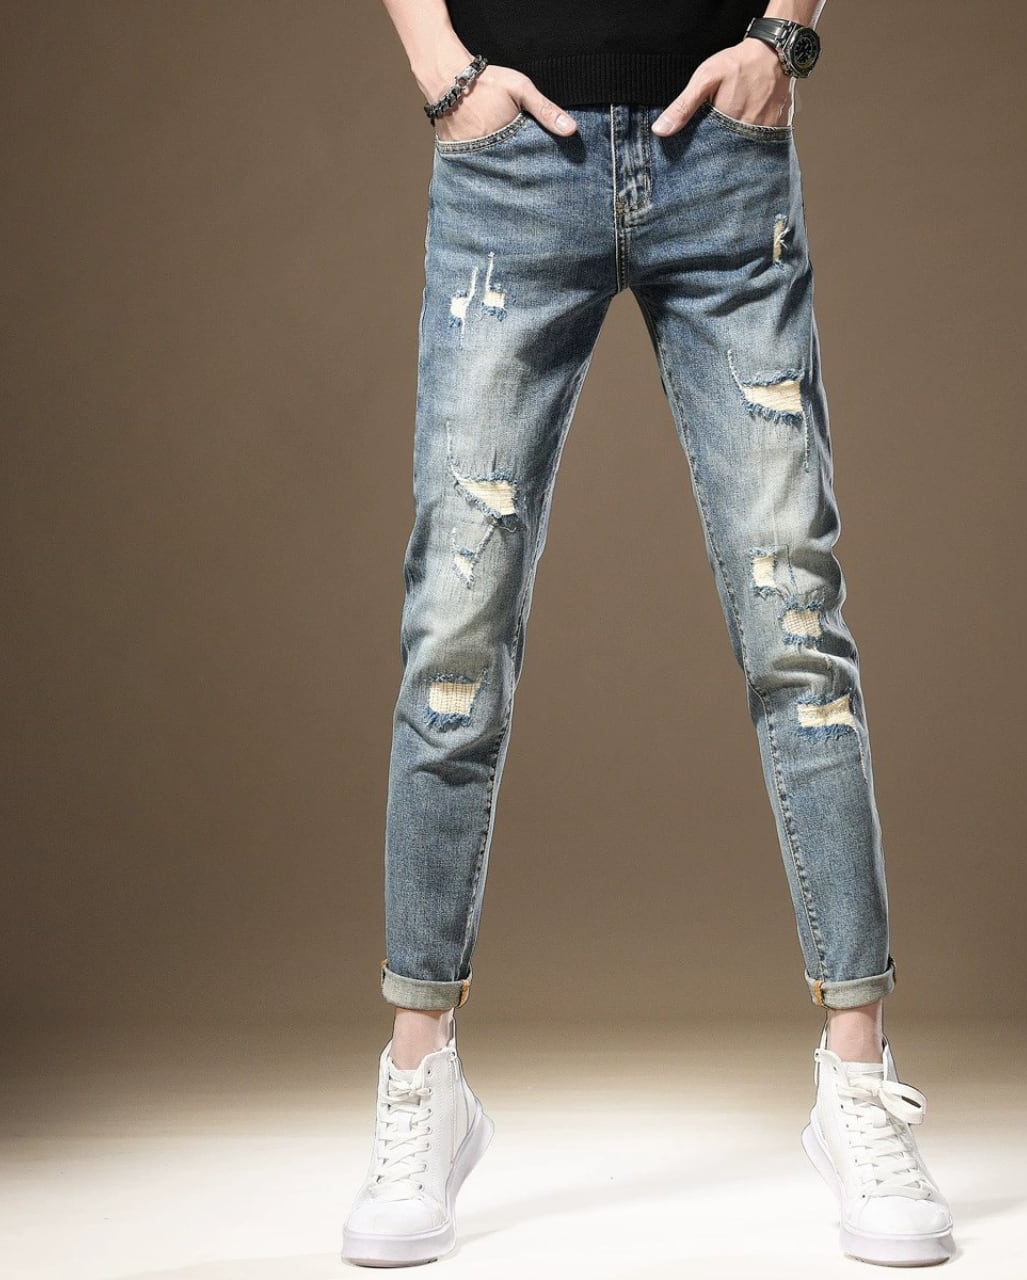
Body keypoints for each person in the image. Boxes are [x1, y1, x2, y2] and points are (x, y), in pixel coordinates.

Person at [340, 0, 955, 1268]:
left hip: (718, 160)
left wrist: (781, 38)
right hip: (511, 168)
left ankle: (858, 1079)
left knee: (795, 622)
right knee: (454, 631)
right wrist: (441, 72)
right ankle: (419, 1079)